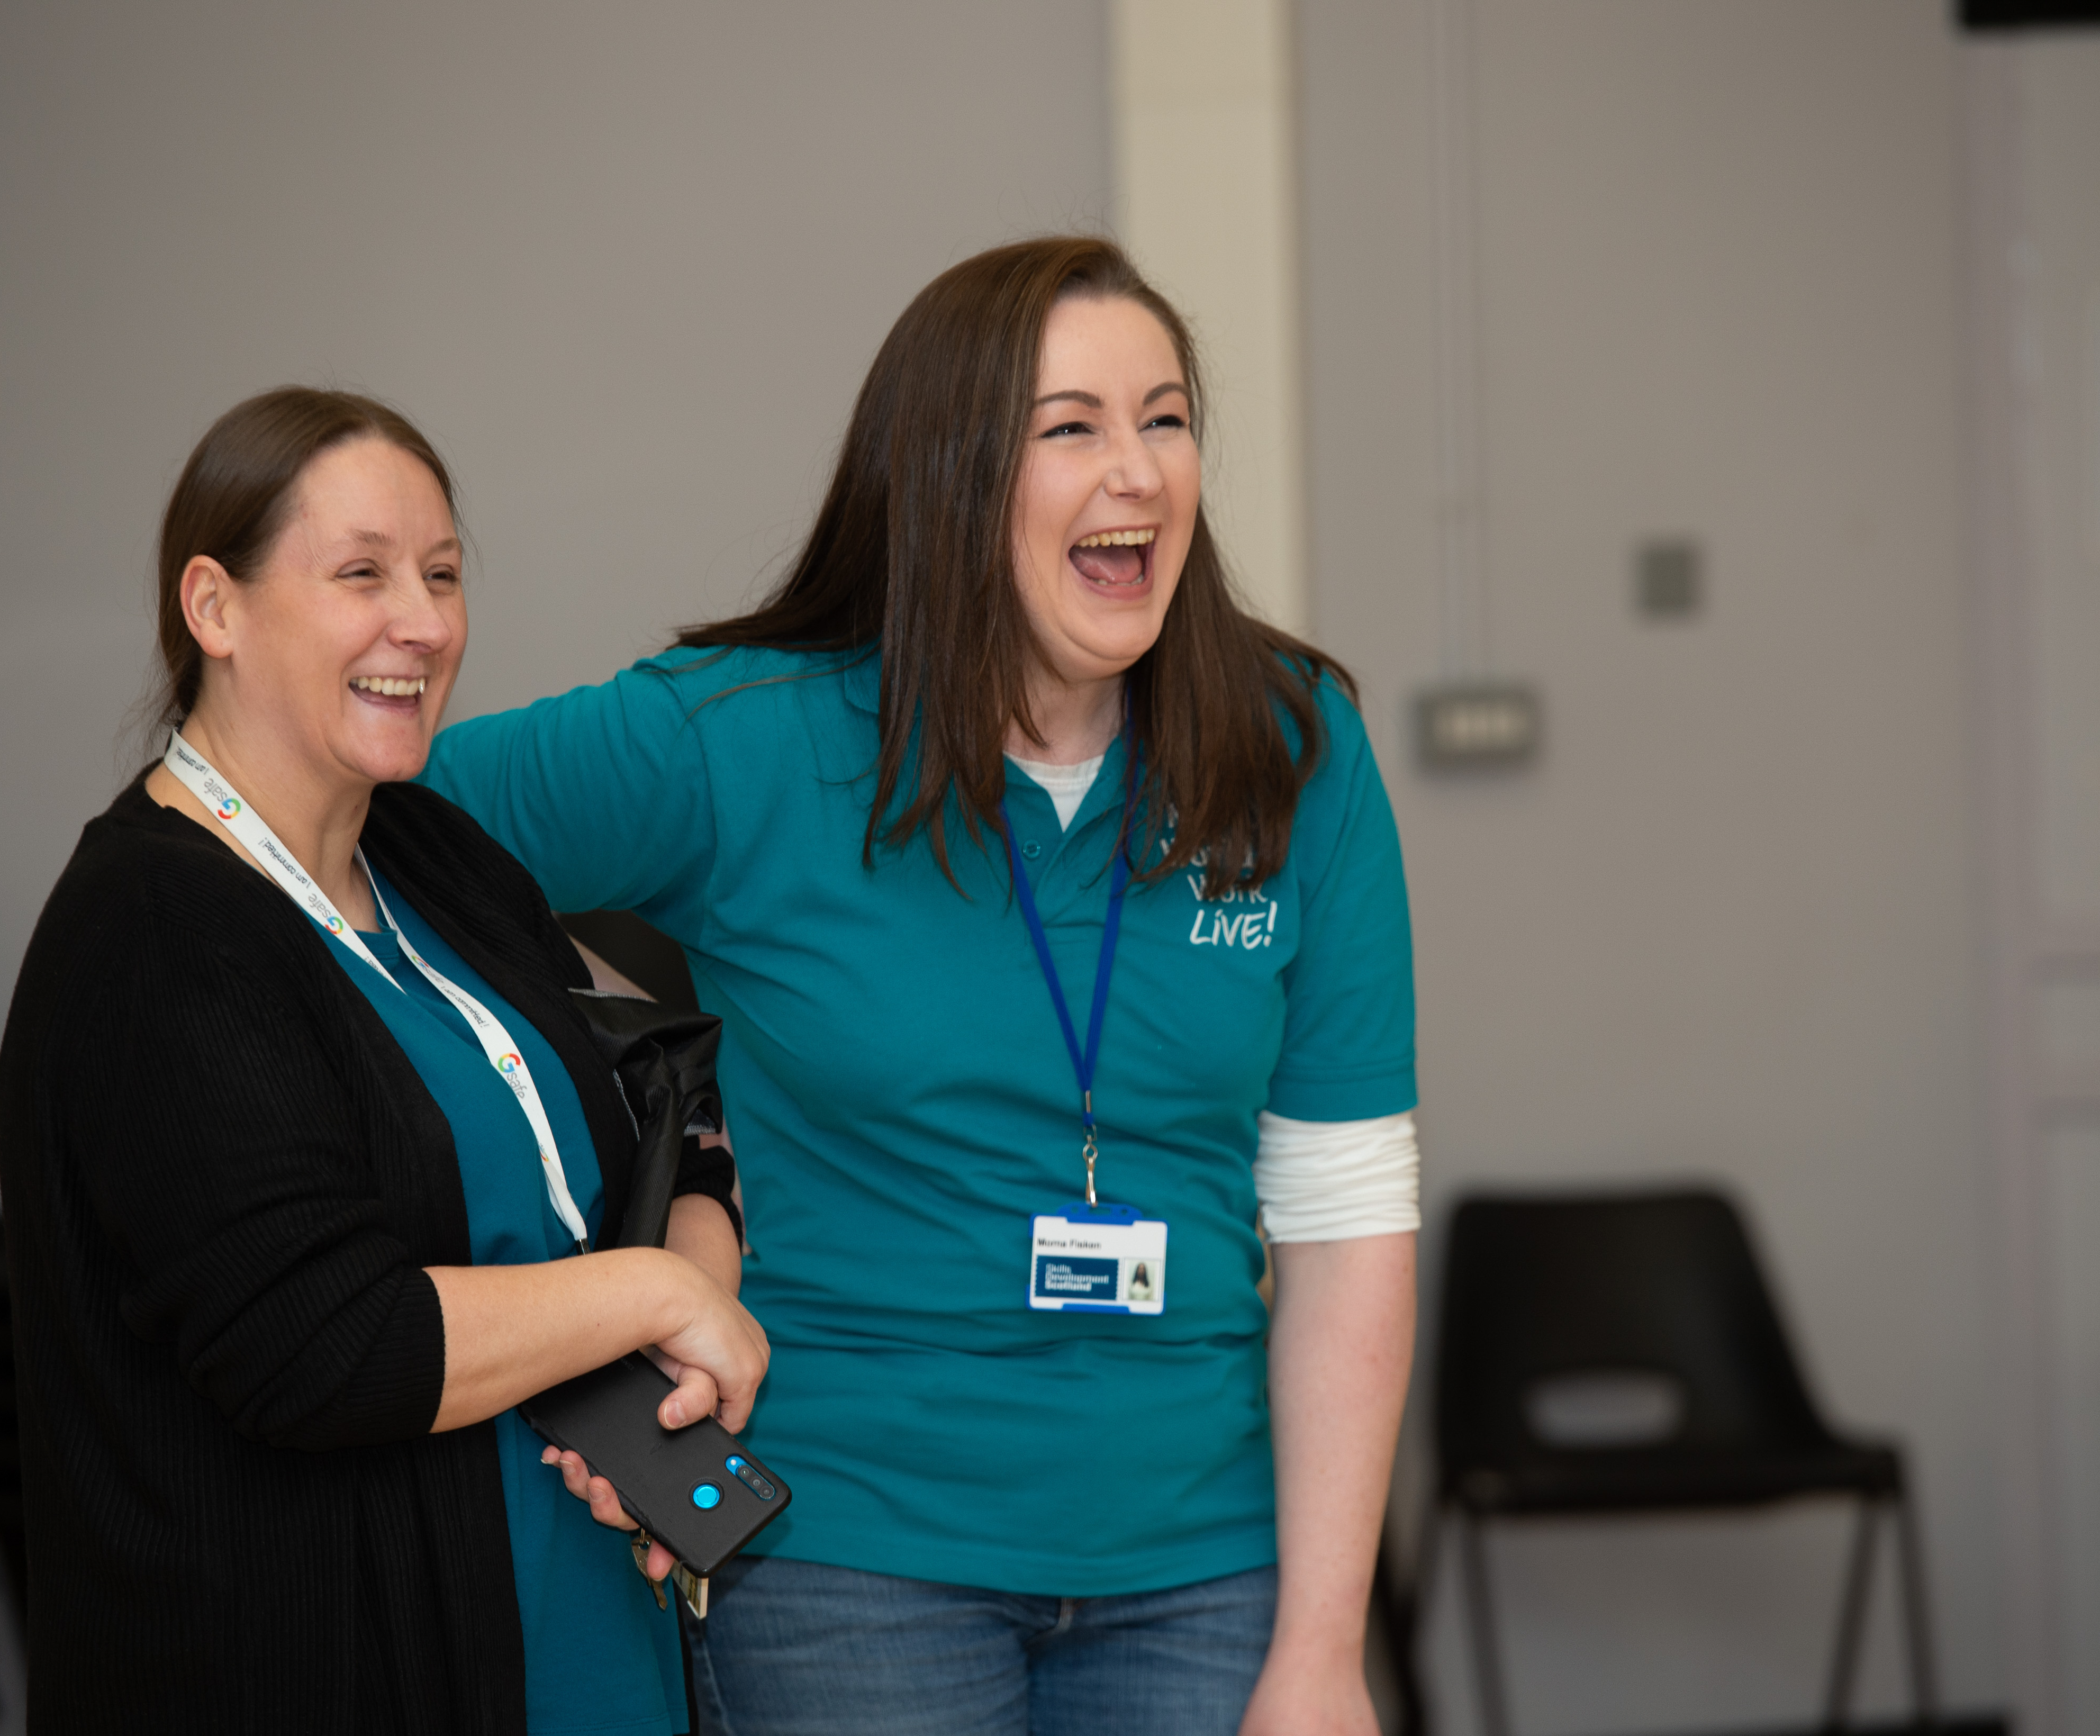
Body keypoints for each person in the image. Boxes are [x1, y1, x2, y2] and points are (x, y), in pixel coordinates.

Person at [421, 236, 1419, 1736]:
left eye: (1164, 417)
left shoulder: (1293, 754)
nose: (1138, 472)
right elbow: (365, 817)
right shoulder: (740, 743)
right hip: (849, 1562)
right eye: (1069, 427)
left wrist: (1326, 1654)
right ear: (950, 477)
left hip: (1204, 1570)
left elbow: (1346, 1223)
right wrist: (651, 1173)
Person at [0, 387, 768, 1734]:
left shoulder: (434, 858)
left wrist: (683, 1327)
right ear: (214, 606)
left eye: (444, 573)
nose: (422, 621)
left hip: (586, 1634)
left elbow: (668, 1108)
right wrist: (643, 1294)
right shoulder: (151, 932)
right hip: (323, 1663)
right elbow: (322, 1341)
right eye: (361, 573)